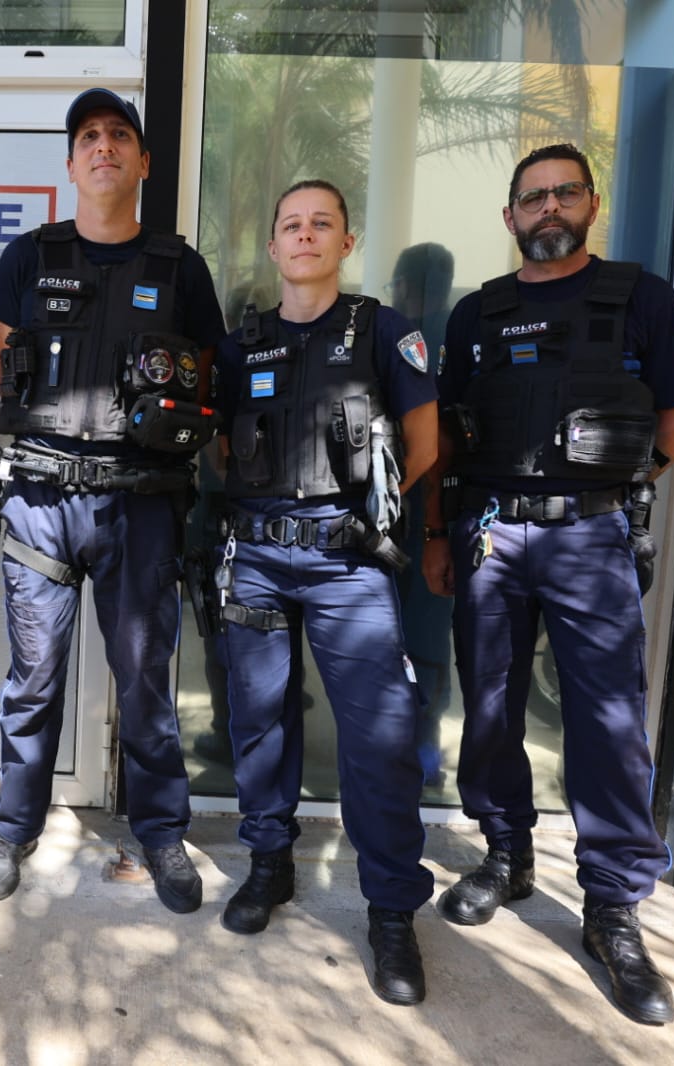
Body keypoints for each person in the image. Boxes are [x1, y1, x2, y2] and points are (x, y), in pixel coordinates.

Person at [422, 143, 674, 1025]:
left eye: (563, 194)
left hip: (589, 535)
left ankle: (611, 907)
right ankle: (506, 858)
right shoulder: (478, 313)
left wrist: (615, 487)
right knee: (492, 706)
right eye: (532, 198)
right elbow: (448, 439)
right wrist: (438, 533)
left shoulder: (638, 298)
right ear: (509, 218)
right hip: (491, 535)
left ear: (589, 206)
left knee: (607, 723)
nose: (548, 208)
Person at [0, 88, 226, 913]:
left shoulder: (180, 270)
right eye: (89, 136)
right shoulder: (26, 257)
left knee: (144, 681)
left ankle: (159, 832)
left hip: (140, 505)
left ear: (144, 162)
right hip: (41, 500)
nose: (104, 146)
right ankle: (14, 826)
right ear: (71, 162)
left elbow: (207, 383)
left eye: (120, 135)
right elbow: (1, 367)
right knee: (32, 679)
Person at [212, 180, 439, 1006]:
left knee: (378, 743)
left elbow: (420, 445)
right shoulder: (242, 345)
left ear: (345, 243)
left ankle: (389, 913)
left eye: (321, 224)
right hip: (259, 559)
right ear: (272, 248)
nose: (304, 236)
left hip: (349, 566)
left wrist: (354, 522)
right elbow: (216, 450)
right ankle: (269, 866)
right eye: (290, 225)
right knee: (257, 721)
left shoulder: (382, 330)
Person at [387, 242, 457, 788]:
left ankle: (411, 742)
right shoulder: (454, 335)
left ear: (407, 287)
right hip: (443, 511)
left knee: (404, 630)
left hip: (412, 509)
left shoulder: (405, 342)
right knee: (428, 630)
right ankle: (423, 739)